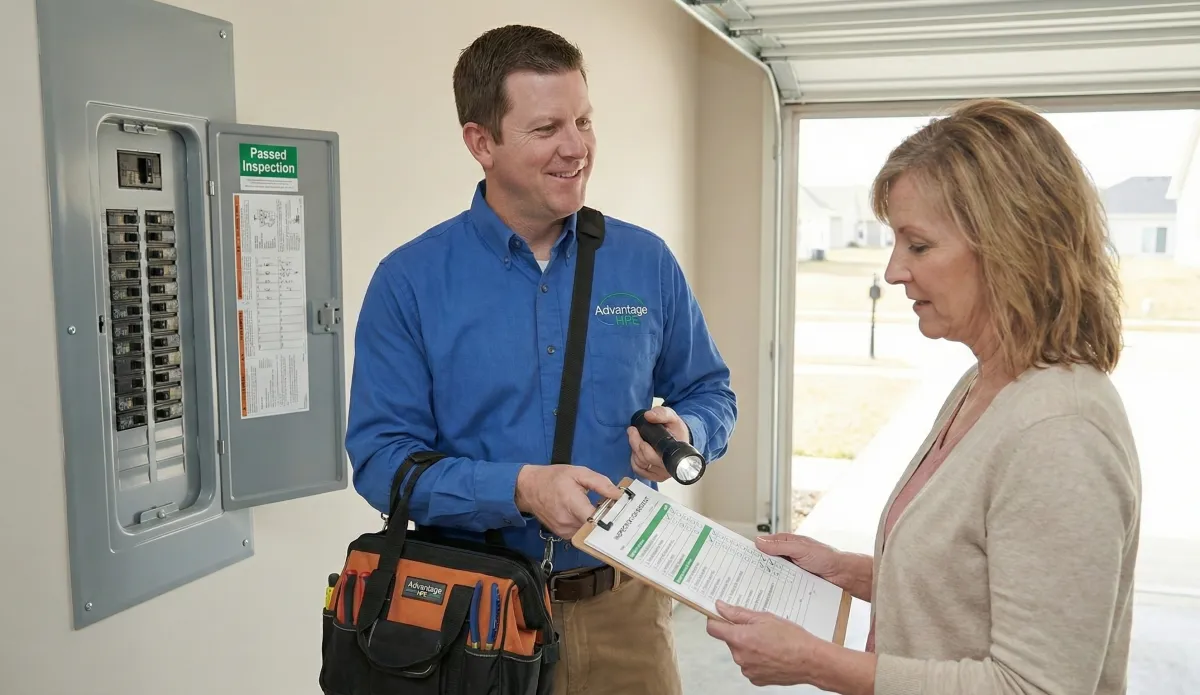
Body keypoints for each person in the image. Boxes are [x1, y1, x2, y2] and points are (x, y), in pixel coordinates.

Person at [345, 24, 737, 695]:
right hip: (472, 618)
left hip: (627, 611)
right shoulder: (409, 281)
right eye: (548, 127)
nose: (577, 147)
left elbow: (710, 391)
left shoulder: (645, 262)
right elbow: (381, 462)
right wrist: (519, 487)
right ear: (481, 143)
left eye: (584, 120)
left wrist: (687, 432)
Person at [706, 98, 1141, 695]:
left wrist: (816, 663)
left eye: (918, 245)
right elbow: (972, 589)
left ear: (1010, 246)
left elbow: (1034, 687)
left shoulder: (1059, 430)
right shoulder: (985, 383)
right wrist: (848, 572)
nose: (892, 271)